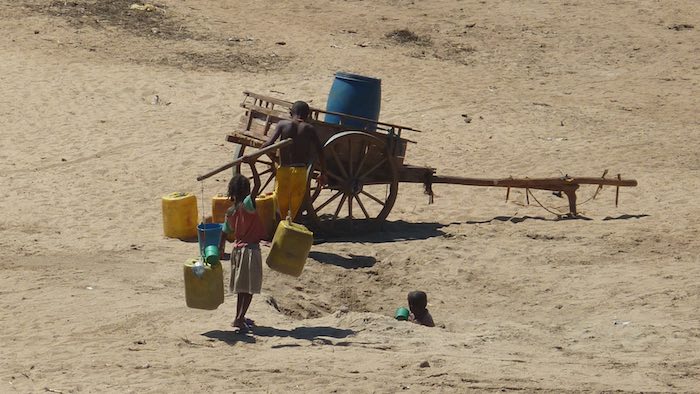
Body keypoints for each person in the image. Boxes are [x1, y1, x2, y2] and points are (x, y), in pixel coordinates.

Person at [260, 100, 326, 221]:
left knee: (280, 203)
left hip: (284, 170)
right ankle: (293, 228)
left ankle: (279, 229)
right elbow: (320, 152)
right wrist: (322, 172)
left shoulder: (283, 124)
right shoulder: (309, 128)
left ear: (291, 113)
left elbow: (269, 143)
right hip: (300, 171)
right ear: (308, 115)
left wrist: (257, 153)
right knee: (297, 203)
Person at [221, 163, 267, 332]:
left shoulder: (231, 211)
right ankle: (240, 318)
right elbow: (258, 184)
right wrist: (252, 165)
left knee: (241, 287)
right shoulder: (248, 204)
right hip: (250, 251)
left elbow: (224, 232)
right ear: (246, 191)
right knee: (249, 289)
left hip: (237, 251)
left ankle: (238, 317)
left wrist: (220, 249)